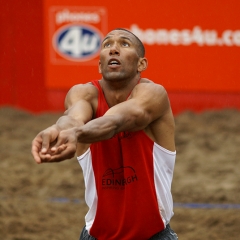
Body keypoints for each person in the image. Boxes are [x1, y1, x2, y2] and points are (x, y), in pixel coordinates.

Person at [32, 28, 178, 240]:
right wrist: (58, 128)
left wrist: (76, 133)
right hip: (95, 235)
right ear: (100, 64)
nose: (114, 49)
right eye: (107, 45)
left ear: (141, 64)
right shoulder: (83, 93)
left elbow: (115, 121)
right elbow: (72, 117)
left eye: (124, 44)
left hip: (153, 236)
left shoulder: (154, 95)